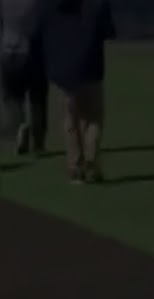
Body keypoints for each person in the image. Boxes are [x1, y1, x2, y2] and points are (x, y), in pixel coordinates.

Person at [40, 0, 114, 184]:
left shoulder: (50, 5)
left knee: (70, 119)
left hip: (61, 69)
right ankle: (90, 162)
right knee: (93, 119)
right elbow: (108, 31)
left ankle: (75, 166)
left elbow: (40, 30)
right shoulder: (97, 5)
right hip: (90, 67)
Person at [0, 0, 47, 156]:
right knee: (37, 98)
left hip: (8, 50)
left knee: (12, 98)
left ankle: (20, 127)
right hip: (32, 51)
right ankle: (38, 141)